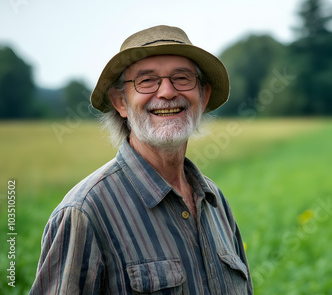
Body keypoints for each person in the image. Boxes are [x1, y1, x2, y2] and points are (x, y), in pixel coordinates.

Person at [30, 25, 253, 294]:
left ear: (202, 96)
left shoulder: (214, 202)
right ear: (120, 102)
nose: (168, 92)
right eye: (147, 81)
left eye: (182, 78)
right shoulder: (84, 213)